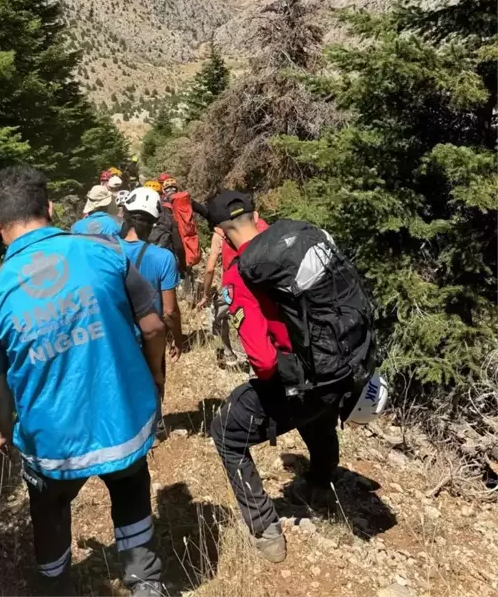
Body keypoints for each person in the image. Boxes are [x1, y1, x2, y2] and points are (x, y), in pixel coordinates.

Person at [0, 166, 166, 595]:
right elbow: (152, 326)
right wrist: (155, 381)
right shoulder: (107, 253)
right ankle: (145, 580)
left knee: (50, 509)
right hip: (123, 422)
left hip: (50, 443)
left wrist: (5, 432)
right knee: (130, 486)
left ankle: (56, 586)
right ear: (51, 209)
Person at [205, 191, 356, 564]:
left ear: (220, 233)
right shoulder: (297, 242)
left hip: (305, 377)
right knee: (318, 415)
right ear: (258, 216)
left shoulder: (240, 273)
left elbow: (263, 361)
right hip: (342, 366)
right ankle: (320, 485)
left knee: (226, 431)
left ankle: (265, 530)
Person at [122, 187, 184, 442]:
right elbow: (169, 310)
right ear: (155, 221)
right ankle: (155, 429)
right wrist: (178, 338)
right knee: (154, 379)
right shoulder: (163, 258)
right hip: (151, 334)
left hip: (116, 333)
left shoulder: (106, 252)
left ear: (125, 215)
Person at [198, 213, 269, 366]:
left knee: (216, 316)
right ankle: (255, 366)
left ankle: (227, 354)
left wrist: (205, 294)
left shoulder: (221, 234)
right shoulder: (261, 226)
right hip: (259, 284)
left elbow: (210, 269)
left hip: (231, 289)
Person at [145, 181, 186, 272]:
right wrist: (183, 265)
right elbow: (177, 243)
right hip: (164, 251)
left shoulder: (136, 211)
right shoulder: (167, 207)